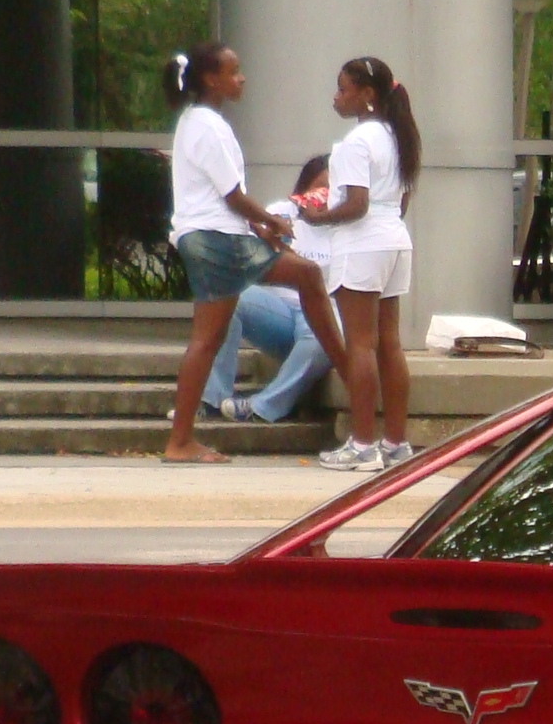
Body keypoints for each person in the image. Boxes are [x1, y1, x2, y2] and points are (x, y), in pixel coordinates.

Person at [161, 43, 346, 465]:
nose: (241, 78)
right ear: (211, 80)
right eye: (234, 71)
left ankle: (180, 440)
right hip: (219, 240)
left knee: (206, 340)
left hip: (209, 237)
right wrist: (273, 222)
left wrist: (259, 226)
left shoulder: (195, 121)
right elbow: (232, 196)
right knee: (309, 276)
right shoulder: (209, 126)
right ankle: (350, 372)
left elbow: (222, 199)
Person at [318, 55, 421, 472]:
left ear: (367, 95)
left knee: (359, 344)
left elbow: (356, 204)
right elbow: (401, 201)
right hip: (394, 239)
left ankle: (362, 445)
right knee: (389, 343)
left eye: (343, 90)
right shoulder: (399, 136)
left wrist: (317, 217)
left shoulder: (357, 141)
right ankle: (395, 443)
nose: (336, 97)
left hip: (361, 243)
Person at [206, 157, 337, 425]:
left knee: (319, 338)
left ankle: (262, 406)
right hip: (280, 310)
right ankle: (211, 400)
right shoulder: (281, 213)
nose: (326, 196)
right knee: (228, 297)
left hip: (323, 314)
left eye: (336, 189)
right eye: (321, 186)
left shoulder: (350, 227)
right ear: (305, 186)